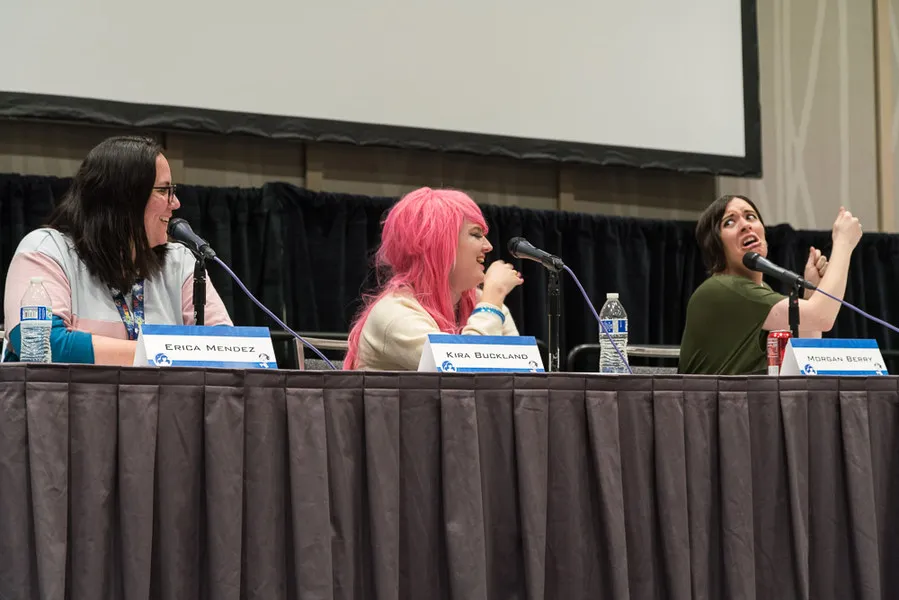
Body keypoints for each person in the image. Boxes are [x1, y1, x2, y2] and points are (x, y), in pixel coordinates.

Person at [2, 135, 232, 366]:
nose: (175, 203)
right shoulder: (46, 250)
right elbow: (44, 343)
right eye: (164, 191)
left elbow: (226, 350)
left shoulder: (180, 262)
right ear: (124, 199)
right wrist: (168, 353)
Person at [678, 194, 862, 375]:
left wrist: (810, 294)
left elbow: (806, 352)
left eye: (750, 217)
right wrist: (843, 244)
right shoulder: (723, 288)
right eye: (729, 222)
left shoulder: (760, 290)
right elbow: (823, 317)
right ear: (716, 245)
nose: (745, 225)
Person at [344, 187, 523, 370]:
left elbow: (521, 379)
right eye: (476, 234)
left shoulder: (484, 303)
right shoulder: (394, 313)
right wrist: (492, 303)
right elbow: (463, 373)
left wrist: (491, 304)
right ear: (438, 243)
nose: (489, 246)